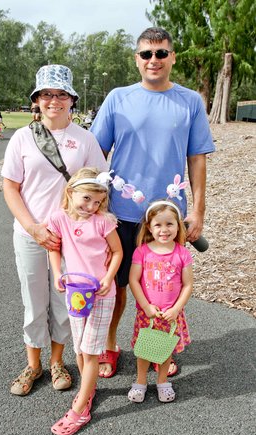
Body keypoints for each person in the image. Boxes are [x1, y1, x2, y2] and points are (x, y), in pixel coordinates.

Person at [90, 26, 215, 378]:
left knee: (162, 291)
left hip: (166, 219)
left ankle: (158, 350)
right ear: (137, 59)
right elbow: (97, 154)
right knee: (115, 289)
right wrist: (91, 205)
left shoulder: (190, 101)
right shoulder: (118, 98)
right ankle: (110, 346)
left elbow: (197, 158)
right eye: (146, 54)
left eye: (161, 53)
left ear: (172, 57)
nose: (154, 60)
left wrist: (198, 211)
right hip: (122, 214)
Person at [1, 64, 108, 396]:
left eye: (61, 94)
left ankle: (58, 361)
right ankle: (33, 365)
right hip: (31, 234)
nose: (54, 101)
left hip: (72, 240)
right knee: (34, 301)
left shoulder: (85, 139)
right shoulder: (22, 137)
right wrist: (33, 228)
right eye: (47, 94)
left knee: (65, 301)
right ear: (37, 99)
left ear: (71, 99)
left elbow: (101, 185)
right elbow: (10, 187)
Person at [48, 167, 123, 435]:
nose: (92, 206)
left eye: (98, 201)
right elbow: (54, 248)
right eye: (86, 199)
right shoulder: (59, 219)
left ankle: (80, 409)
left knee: (91, 352)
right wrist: (57, 273)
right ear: (71, 193)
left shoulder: (103, 221)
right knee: (80, 349)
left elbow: (117, 251)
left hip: (102, 294)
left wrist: (109, 277)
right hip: (76, 293)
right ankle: (87, 391)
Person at [128, 200, 193, 404]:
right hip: (147, 314)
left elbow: (188, 285)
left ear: (178, 225)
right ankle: (140, 382)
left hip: (170, 314)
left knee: (165, 349)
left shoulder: (182, 253)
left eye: (169, 224)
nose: (164, 230)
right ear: (149, 227)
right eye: (158, 225)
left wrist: (176, 309)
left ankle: (162, 381)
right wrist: (146, 306)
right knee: (144, 348)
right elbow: (133, 280)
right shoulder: (142, 251)